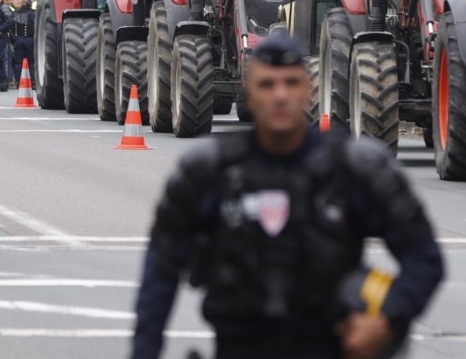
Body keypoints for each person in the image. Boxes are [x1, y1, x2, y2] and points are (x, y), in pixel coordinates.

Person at [130, 34, 444, 359]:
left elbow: (424, 257)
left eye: (291, 83)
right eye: (267, 85)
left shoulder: (353, 168)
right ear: (248, 94)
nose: (280, 96)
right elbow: (161, 270)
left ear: (308, 89)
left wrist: (388, 320)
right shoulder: (208, 171)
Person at [11, 0, 36, 87]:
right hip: (30, 40)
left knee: (18, 61)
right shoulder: (33, 14)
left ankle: (19, 82)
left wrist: (14, 40)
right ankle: (32, 81)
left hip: (18, 40)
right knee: (31, 61)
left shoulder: (15, 14)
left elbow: (11, 27)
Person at [0, 0, 15, 92]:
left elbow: (10, 20)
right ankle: (0, 82)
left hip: (2, 36)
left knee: (0, 59)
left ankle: (2, 82)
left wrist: (0, 29)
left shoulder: (4, 8)